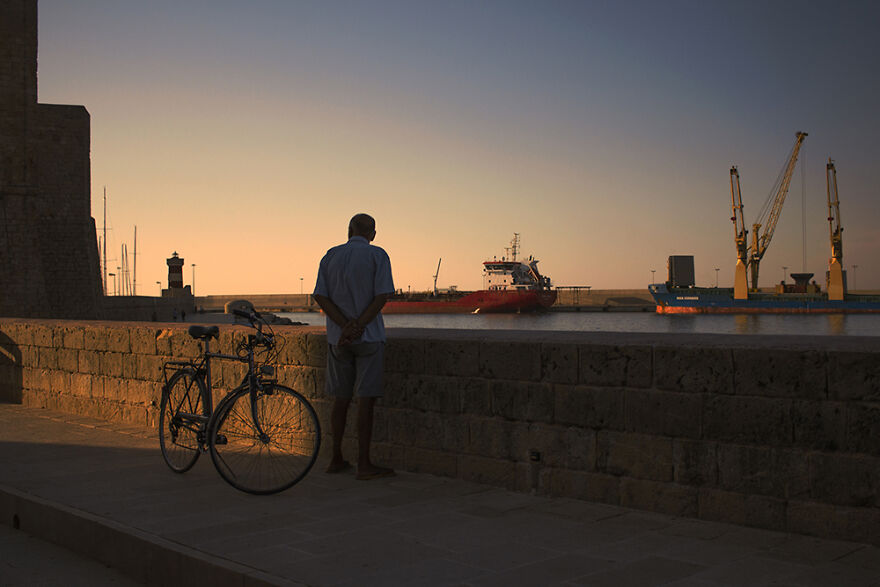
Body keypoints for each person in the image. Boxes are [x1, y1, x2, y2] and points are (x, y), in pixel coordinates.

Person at [313, 213, 395, 480]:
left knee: (340, 399)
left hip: (338, 338)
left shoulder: (330, 256)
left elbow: (320, 296)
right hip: (369, 338)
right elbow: (381, 295)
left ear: (349, 230)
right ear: (372, 234)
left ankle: (336, 457)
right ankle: (364, 464)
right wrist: (359, 326)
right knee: (365, 400)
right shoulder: (377, 255)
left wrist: (344, 326)